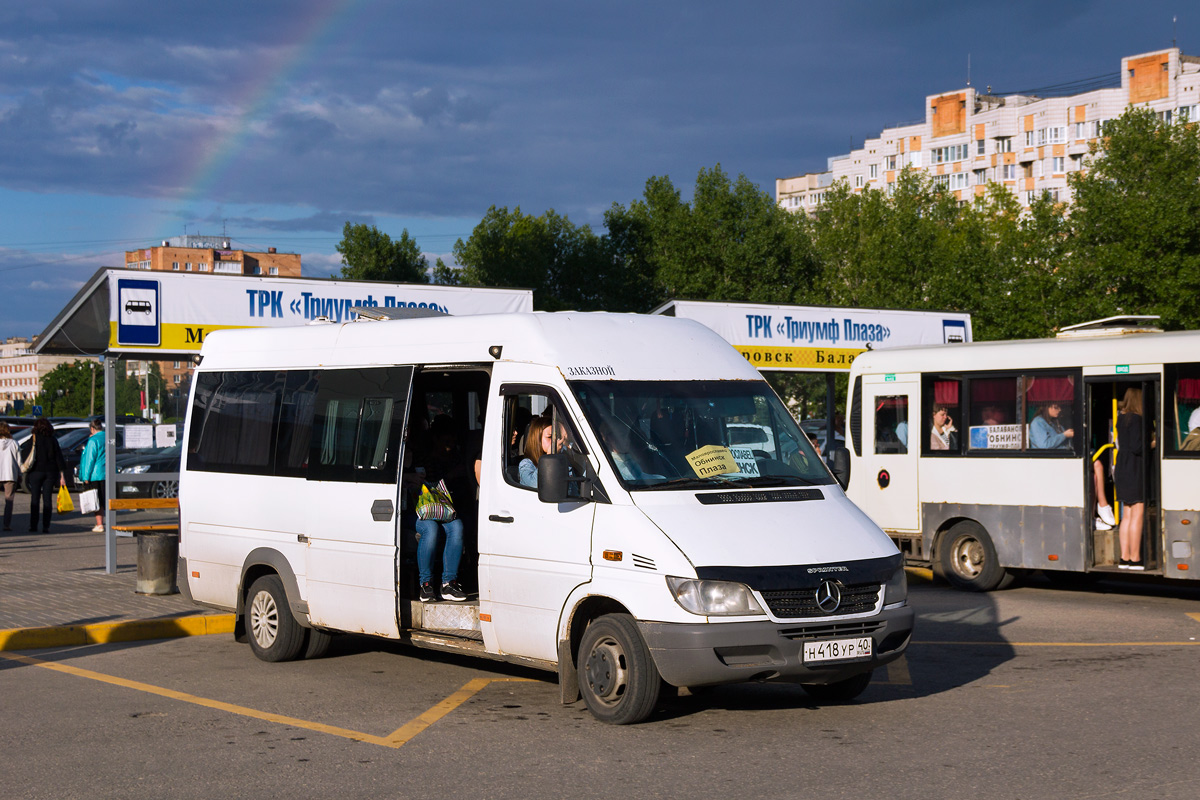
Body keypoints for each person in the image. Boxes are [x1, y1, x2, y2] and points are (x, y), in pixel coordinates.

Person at [414, 415, 469, 602]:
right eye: (446, 441)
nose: (450, 445)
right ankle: (426, 584)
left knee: (457, 526)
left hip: (445, 509)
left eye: (453, 441)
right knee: (430, 529)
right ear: (435, 439)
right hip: (423, 508)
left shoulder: (456, 457)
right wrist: (452, 475)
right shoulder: (425, 460)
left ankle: (449, 583)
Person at [1114, 387, 1149, 570]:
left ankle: (1124, 557)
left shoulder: (1121, 418)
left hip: (1122, 466)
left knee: (1126, 514)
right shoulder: (1137, 419)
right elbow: (1137, 447)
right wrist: (1152, 443)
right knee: (1138, 513)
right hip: (1134, 467)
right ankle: (1135, 558)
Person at [24, 417, 69, 533]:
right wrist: (62, 476)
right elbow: (59, 458)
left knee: (35, 499)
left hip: (36, 472)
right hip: (50, 472)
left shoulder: (33, 439)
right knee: (47, 499)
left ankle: (33, 525)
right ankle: (46, 526)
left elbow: (26, 454)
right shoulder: (53, 440)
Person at [519, 414, 569, 488]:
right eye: (550, 437)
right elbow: (535, 484)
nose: (554, 441)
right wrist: (549, 457)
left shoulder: (562, 460)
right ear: (537, 439)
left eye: (556, 437)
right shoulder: (526, 464)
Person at [78, 420, 107, 532]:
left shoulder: (93, 441)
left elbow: (90, 459)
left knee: (96, 500)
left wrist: (86, 476)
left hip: (95, 474)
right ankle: (108, 521)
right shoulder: (108, 438)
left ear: (92, 429)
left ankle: (99, 524)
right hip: (107, 473)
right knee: (106, 499)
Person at [0, 422, 20, 531]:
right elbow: (18, 461)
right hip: (10, 474)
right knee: (9, 501)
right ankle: (6, 524)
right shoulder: (14, 443)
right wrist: (20, 474)